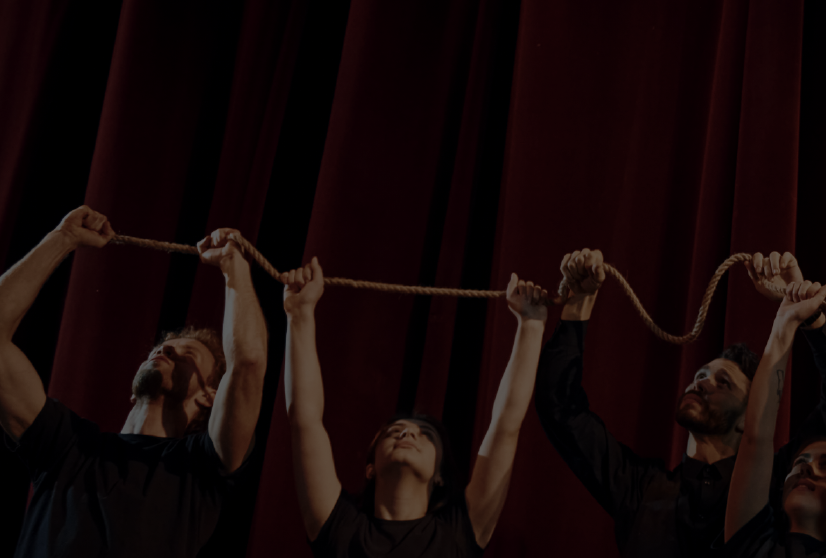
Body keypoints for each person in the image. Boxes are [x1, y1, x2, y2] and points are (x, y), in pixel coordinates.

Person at [535, 250, 826, 557]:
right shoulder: (638, 487)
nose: (701, 383)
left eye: (723, 383)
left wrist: (809, 315)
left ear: (749, 416)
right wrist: (579, 302)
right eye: (700, 375)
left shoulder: (782, 483)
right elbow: (560, 407)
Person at [0, 207, 269, 557]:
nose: (166, 350)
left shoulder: (201, 467)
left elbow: (248, 361)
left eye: (187, 353)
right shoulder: (68, 446)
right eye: (160, 349)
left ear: (209, 395)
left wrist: (234, 268)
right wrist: (61, 238)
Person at [282, 258, 546, 557]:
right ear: (370, 468)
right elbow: (305, 420)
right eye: (393, 431)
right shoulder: (341, 529)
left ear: (439, 475)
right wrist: (299, 314)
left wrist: (531, 326)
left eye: (425, 435)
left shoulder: (458, 533)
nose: (407, 433)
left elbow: (505, 425)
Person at [721, 279, 826, 558]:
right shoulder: (752, 546)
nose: (807, 468)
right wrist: (784, 322)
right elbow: (755, 439)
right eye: (799, 463)